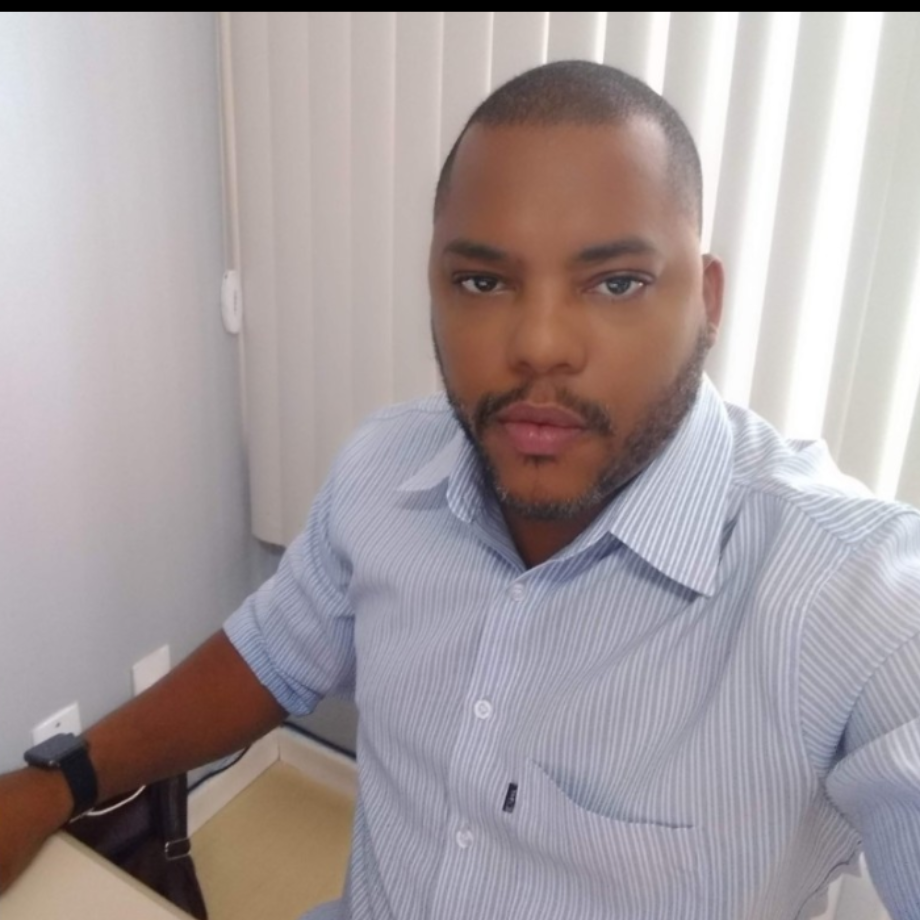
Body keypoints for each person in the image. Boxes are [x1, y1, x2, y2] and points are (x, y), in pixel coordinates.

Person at [2, 59, 919, 920]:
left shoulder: (852, 601)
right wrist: (58, 783)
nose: (540, 344)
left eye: (617, 283)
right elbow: (273, 652)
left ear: (707, 301)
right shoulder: (384, 470)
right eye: (483, 280)